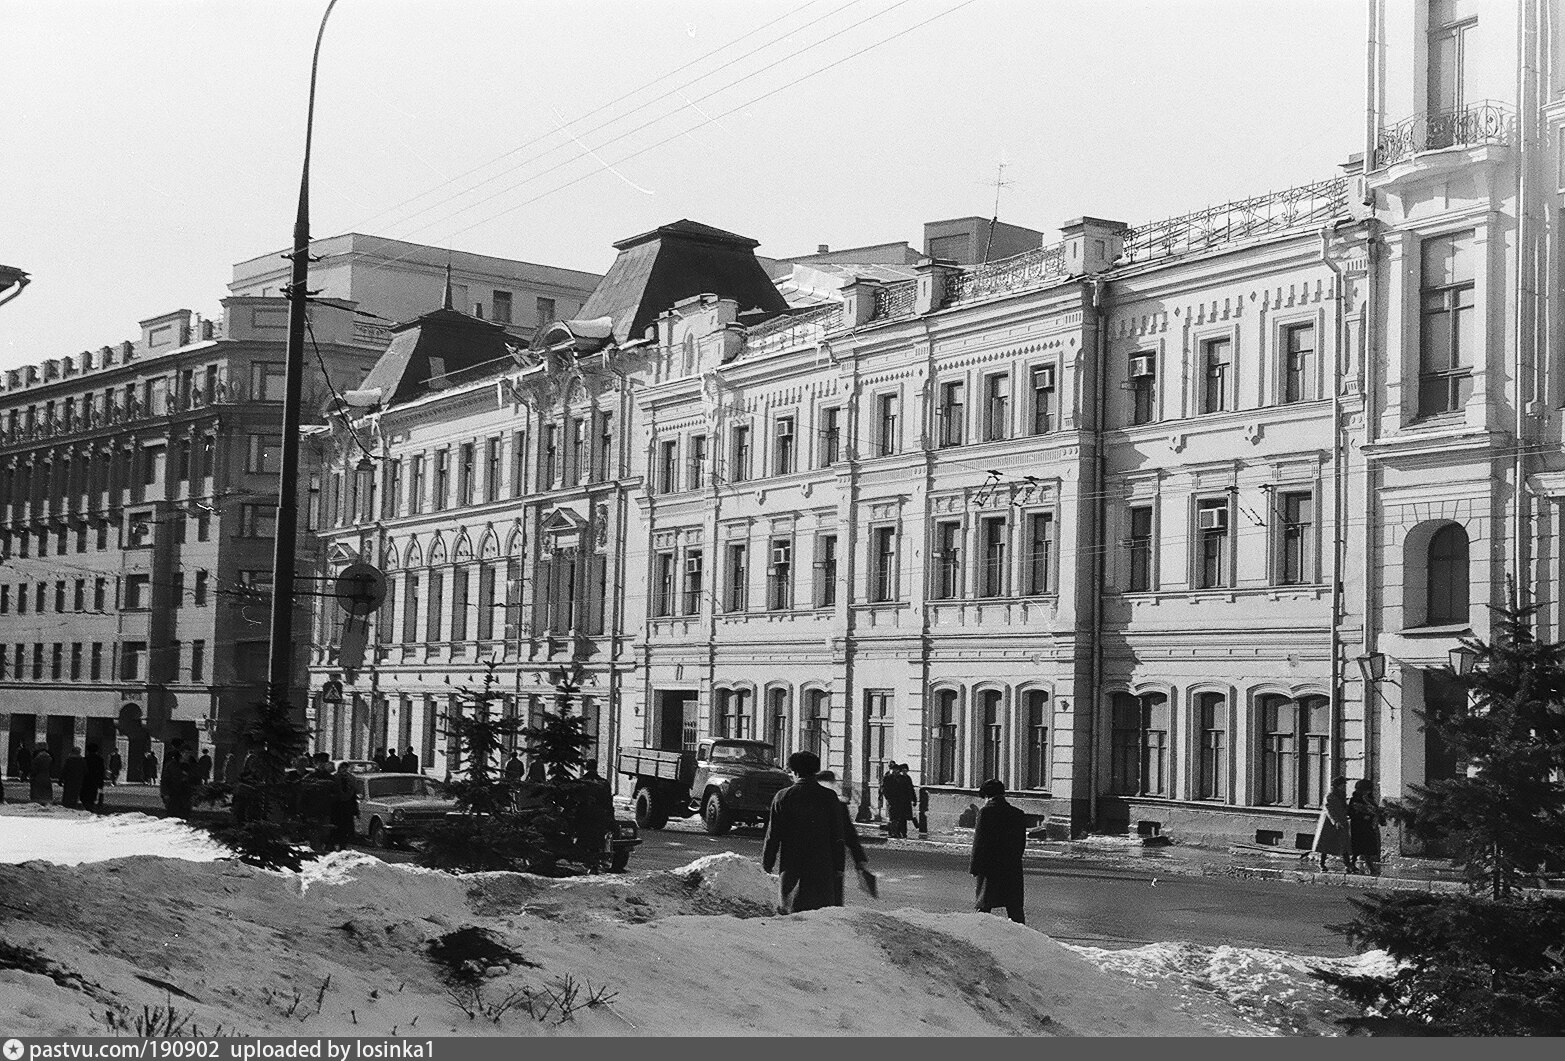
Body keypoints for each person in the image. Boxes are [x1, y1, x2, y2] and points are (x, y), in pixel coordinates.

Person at [761, 751, 847, 914]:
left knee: (793, 920)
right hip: (822, 870)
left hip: (792, 869)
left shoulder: (782, 797)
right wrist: (838, 868)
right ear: (815, 771)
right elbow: (838, 836)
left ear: (794, 772)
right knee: (821, 919)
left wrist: (766, 866)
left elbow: (772, 837)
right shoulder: (829, 797)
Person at [970, 778, 1028, 924]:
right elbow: (1021, 843)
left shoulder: (985, 813)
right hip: (1012, 867)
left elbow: (979, 842)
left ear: (987, 796)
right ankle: (1023, 936)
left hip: (990, 868)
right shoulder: (1017, 813)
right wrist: (1014, 859)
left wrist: (974, 868)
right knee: (1014, 907)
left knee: (984, 905)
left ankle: (979, 933)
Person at [815, 770, 871, 903]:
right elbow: (850, 835)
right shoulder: (838, 805)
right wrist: (859, 860)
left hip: (812, 861)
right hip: (834, 862)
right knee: (833, 900)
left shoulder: (810, 803)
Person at [1311, 775, 1353, 872]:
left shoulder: (1341, 795)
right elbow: (1329, 810)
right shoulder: (1330, 795)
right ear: (1337, 785)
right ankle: (1321, 863)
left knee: (1344, 843)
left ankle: (1347, 864)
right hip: (1329, 823)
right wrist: (1335, 821)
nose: (1344, 787)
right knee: (1325, 845)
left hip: (1341, 821)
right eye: (1342, 785)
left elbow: (1343, 807)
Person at [1347, 779, 1384, 876]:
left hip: (1368, 826)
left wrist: (1376, 817)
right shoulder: (1355, 799)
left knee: (1365, 847)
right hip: (1358, 826)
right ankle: (1370, 868)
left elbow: (1376, 810)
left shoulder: (1369, 799)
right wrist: (1364, 815)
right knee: (1361, 847)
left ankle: (1351, 864)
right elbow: (1351, 812)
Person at [881, 762, 917, 839]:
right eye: (893, 770)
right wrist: (888, 798)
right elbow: (884, 789)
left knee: (901, 818)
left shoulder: (903, 778)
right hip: (892, 801)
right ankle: (893, 832)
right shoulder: (888, 777)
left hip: (901, 801)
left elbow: (908, 789)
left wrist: (912, 799)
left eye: (896, 770)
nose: (895, 771)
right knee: (893, 817)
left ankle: (902, 832)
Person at [331, 761, 360, 848]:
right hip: (336, 807)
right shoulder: (334, 777)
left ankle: (344, 845)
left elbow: (354, 794)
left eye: (345, 767)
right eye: (341, 767)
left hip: (348, 806)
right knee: (336, 828)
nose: (344, 770)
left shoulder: (351, 778)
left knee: (346, 828)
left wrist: (355, 810)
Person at [82, 743, 106, 812]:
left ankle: (87, 806)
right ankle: (90, 806)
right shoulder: (100, 759)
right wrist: (101, 782)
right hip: (95, 779)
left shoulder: (85, 759)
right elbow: (102, 770)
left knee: (85, 793)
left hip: (86, 779)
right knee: (93, 793)